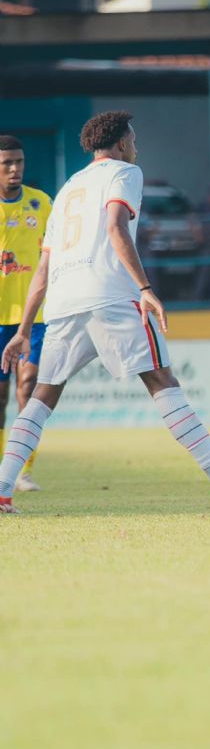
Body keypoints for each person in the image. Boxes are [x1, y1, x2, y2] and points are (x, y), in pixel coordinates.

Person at [0, 111, 210, 516]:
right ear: (121, 143)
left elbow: (44, 266)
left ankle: (3, 489)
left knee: (42, 395)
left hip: (63, 300)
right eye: (134, 139)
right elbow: (115, 227)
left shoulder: (69, 187)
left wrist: (24, 329)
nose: (137, 147)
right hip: (109, 294)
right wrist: (145, 289)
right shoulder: (125, 174)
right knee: (162, 378)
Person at [0, 135, 52, 493]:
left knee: (28, 386)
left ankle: (22, 470)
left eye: (19, 161)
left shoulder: (41, 202)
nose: (15, 168)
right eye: (7, 163)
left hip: (33, 318)